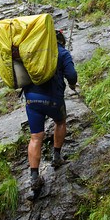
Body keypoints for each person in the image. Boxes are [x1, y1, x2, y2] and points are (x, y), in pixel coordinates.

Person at [23, 30, 78, 192]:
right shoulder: (62, 52)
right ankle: (56, 157)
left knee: (35, 137)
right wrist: (72, 85)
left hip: (32, 99)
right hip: (53, 99)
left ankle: (34, 178)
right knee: (60, 122)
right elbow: (72, 74)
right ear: (61, 40)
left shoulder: (33, 51)